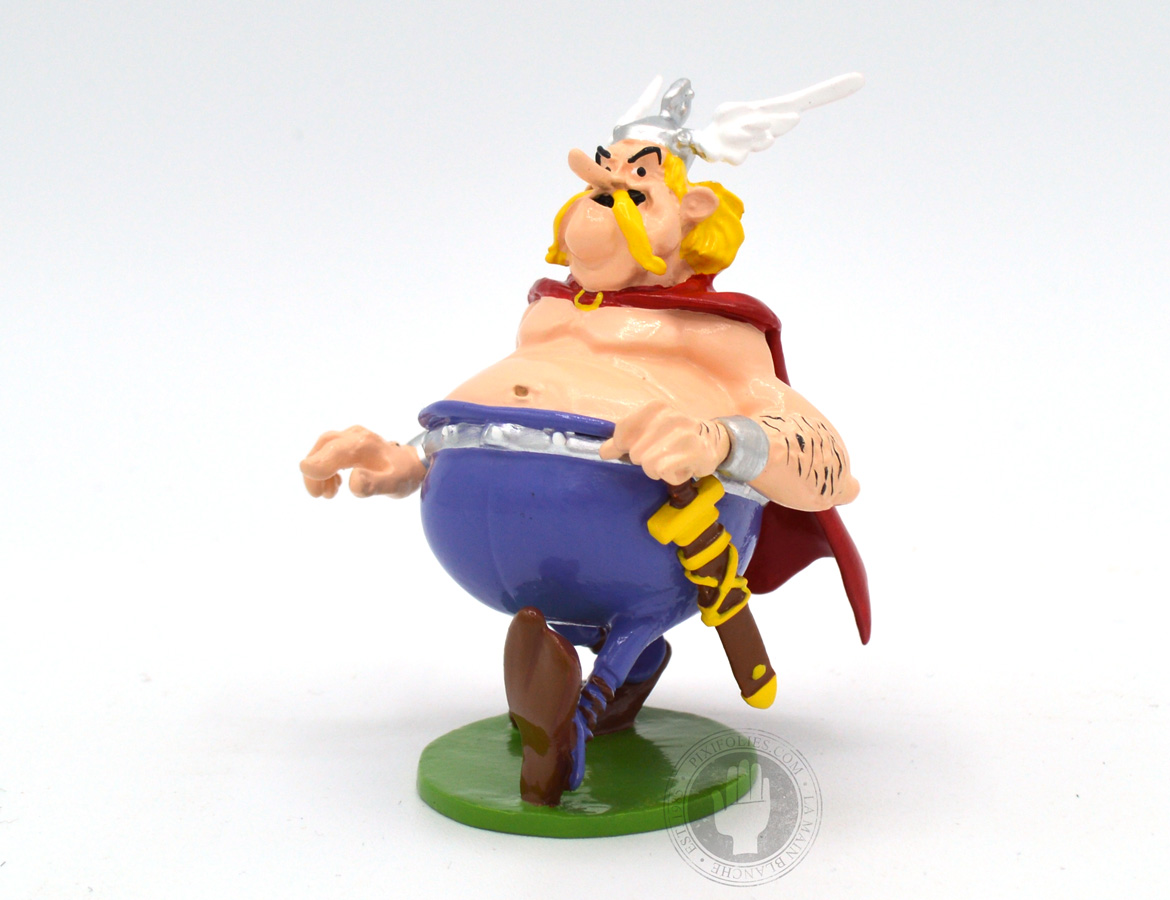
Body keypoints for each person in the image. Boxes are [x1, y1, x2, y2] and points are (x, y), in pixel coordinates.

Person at [300, 76, 869, 805]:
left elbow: (830, 462)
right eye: (601, 180)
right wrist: (402, 459)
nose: (604, 199)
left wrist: (718, 440)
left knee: (609, 628)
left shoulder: (712, 330)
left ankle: (583, 708)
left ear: (692, 215)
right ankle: (596, 691)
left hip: (641, 524)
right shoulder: (548, 310)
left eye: (636, 189)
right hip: (474, 519)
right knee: (552, 626)